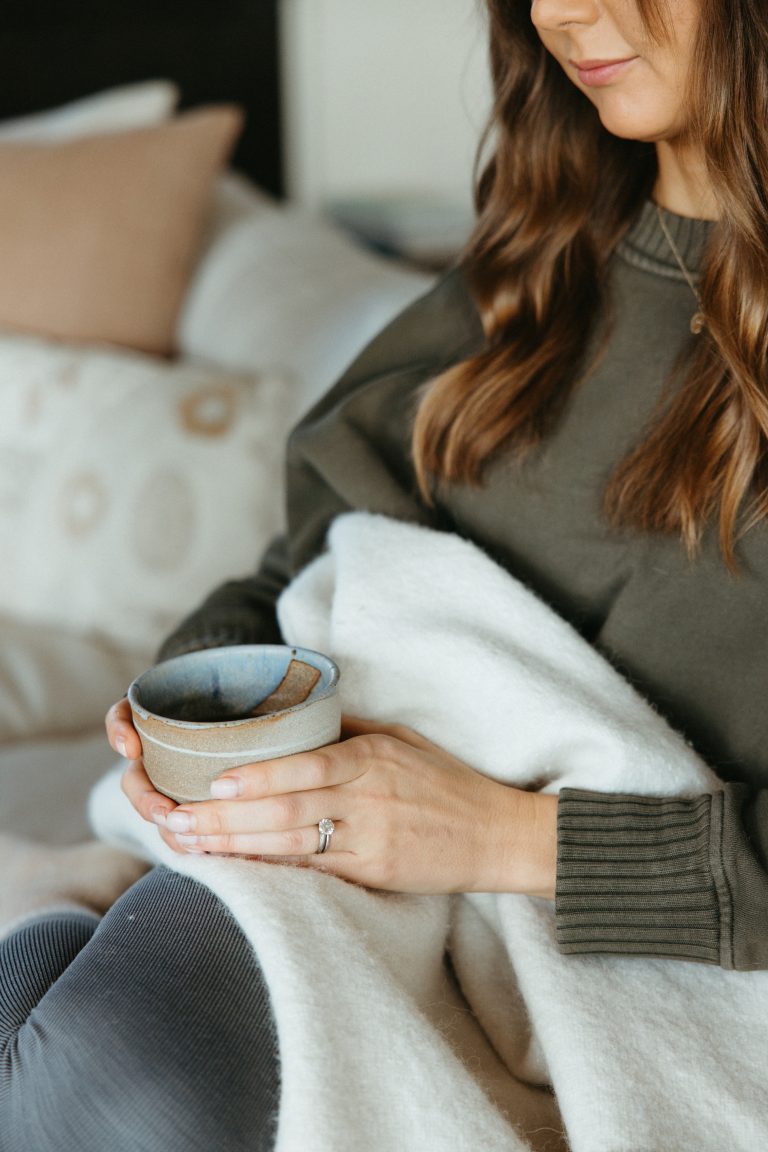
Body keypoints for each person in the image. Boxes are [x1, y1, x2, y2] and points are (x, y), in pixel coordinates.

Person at [3, 0, 768, 1147]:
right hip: (348, 882)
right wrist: (198, 714)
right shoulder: (529, 278)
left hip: (634, 951)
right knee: (78, 1057)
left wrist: (499, 837)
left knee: (100, 1071)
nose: (561, 11)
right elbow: (294, 572)